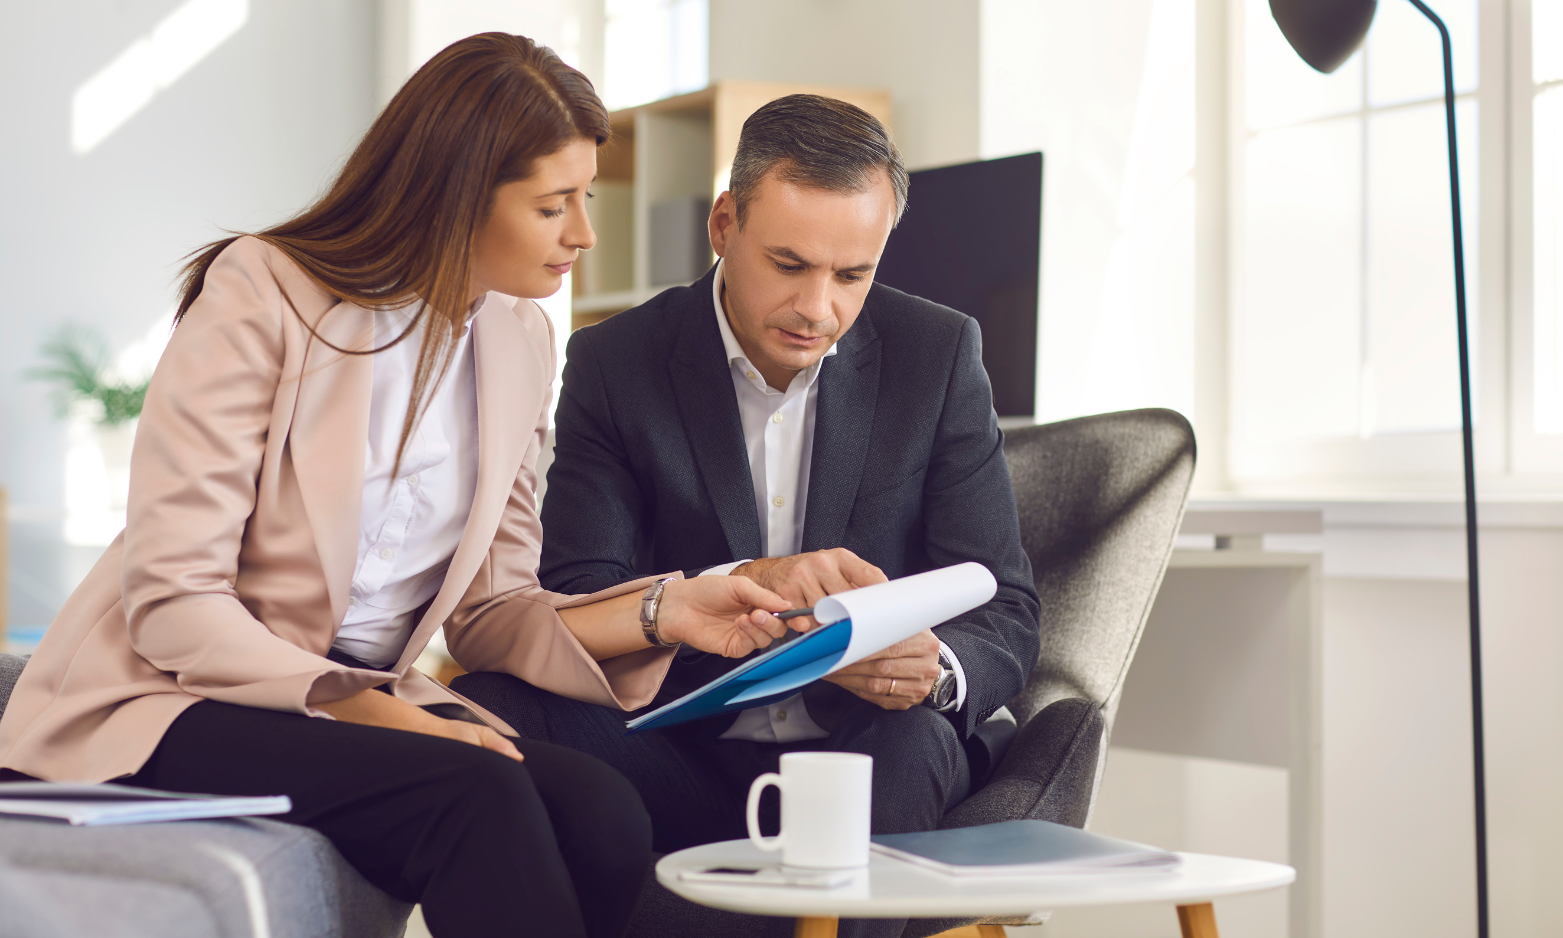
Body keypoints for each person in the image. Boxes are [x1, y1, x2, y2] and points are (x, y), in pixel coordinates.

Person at [0, 34, 795, 938]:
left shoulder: (519, 339)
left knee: (604, 815)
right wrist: (378, 713)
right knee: (476, 794)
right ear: (458, 198)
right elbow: (175, 604)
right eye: (552, 205)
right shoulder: (262, 292)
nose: (584, 231)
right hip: (168, 696)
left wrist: (668, 609)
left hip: (345, 703)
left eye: (585, 196)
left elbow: (494, 610)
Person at [453, 95, 1041, 938]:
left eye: (851, 275)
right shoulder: (618, 362)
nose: (817, 308)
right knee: (489, 702)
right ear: (723, 223)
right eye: (789, 263)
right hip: (686, 752)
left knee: (912, 741)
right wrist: (731, 597)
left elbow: (1004, 605)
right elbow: (579, 591)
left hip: (872, 749)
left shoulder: (936, 354)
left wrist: (933, 666)